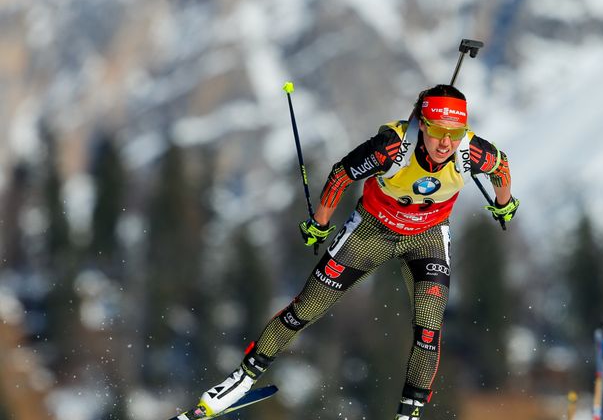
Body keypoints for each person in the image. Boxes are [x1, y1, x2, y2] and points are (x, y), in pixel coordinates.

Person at [172, 84, 520, 420]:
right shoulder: (392, 147)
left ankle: (409, 413)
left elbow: (501, 167)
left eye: (454, 132)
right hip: (371, 230)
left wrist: (503, 205)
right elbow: (342, 174)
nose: (446, 143)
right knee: (306, 308)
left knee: (429, 330)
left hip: (426, 236)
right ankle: (242, 379)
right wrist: (320, 222)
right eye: (438, 131)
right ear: (421, 124)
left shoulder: (471, 151)